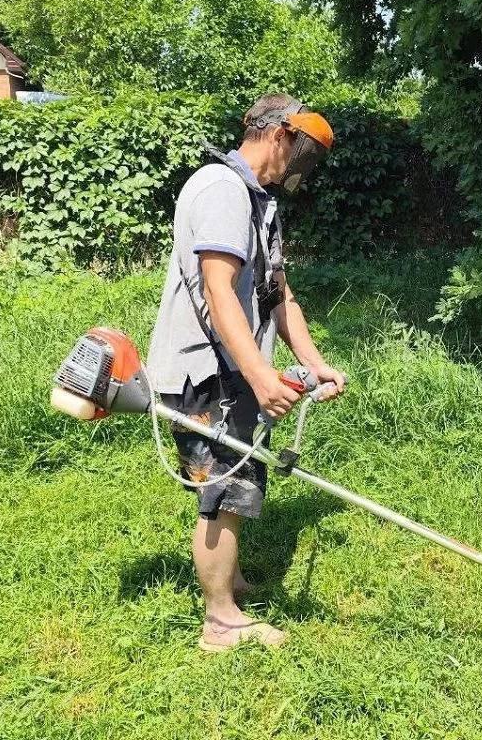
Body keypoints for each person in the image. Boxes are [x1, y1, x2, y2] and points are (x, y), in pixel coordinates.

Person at [145, 93, 345, 652]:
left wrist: (313, 362)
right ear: (279, 134)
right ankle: (220, 622)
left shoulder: (257, 201)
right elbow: (217, 290)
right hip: (208, 371)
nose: (301, 169)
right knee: (223, 493)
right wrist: (261, 375)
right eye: (302, 153)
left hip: (234, 368)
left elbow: (278, 294)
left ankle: (228, 582)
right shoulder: (222, 190)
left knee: (234, 482)